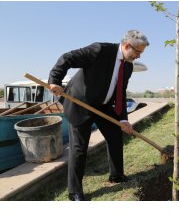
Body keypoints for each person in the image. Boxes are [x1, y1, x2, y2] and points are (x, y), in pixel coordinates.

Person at [48, 30, 150, 201]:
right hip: (79, 102)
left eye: (141, 53)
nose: (138, 56)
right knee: (79, 148)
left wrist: (123, 119)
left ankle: (116, 175)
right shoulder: (100, 50)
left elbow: (120, 93)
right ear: (126, 45)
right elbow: (67, 58)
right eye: (137, 52)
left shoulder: (128, 66)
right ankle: (75, 192)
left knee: (115, 135)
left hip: (102, 105)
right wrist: (55, 82)